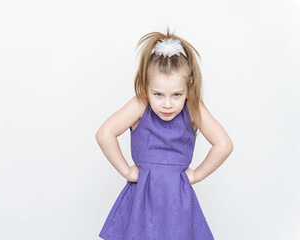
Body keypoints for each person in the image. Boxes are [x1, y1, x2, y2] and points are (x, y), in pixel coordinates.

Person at [95, 27, 233, 240]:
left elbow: (223, 144)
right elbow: (105, 133)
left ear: (188, 89)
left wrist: (197, 174)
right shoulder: (140, 105)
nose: (167, 104)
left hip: (177, 200)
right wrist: (127, 171)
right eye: (158, 94)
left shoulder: (193, 108)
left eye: (176, 95)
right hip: (141, 198)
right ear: (145, 87)